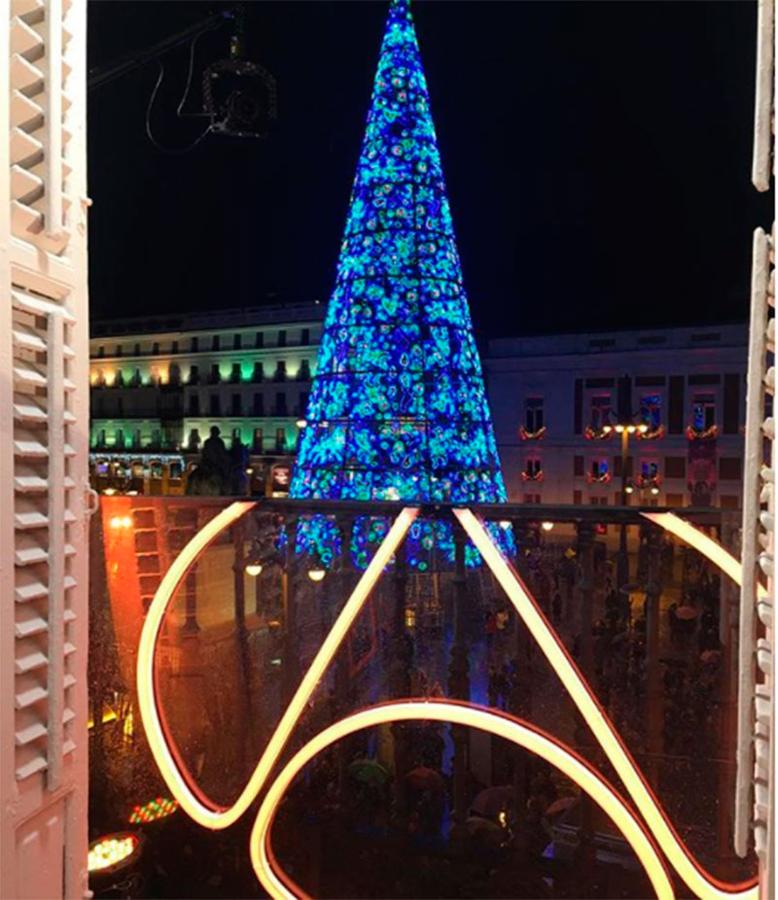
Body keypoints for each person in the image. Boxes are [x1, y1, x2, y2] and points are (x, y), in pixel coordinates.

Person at [200, 426, 231, 492]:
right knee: (225, 474)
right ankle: (225, 488)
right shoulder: (219, 442)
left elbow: (204, 452)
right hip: (216, 463)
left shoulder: (207, 441)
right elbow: (222, 453)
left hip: (207, 462)